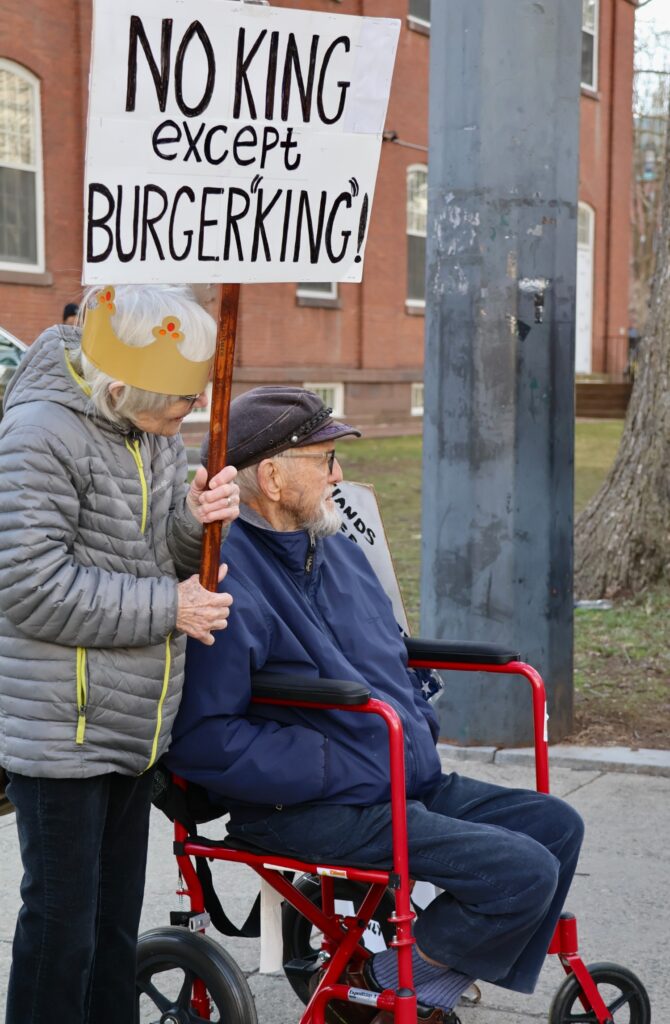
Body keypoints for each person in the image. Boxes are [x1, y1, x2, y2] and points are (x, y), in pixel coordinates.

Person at [166, 386, 584, 1024]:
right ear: (272, 478)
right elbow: (204, 740)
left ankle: (393, 981)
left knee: (556, 828)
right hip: (306, 805)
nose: (339, 475)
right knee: (522, 872)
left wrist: (417, 727)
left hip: (392, 778)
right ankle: (396, 988)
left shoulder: (336, 550)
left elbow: (389, 659)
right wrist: (338, 762)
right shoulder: (228, 578)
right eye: (325, 459)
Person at [0, 284, 240, 1024]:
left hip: (133, 721)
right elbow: (30, 587)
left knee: (108, 928)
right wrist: (171, 607)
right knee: (61, 928)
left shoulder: (150, 431)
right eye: (178, 400)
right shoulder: (39, 434)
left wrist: (190, 521)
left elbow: (151, 551)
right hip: (60, 724)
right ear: (117, 387)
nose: (190, 413)